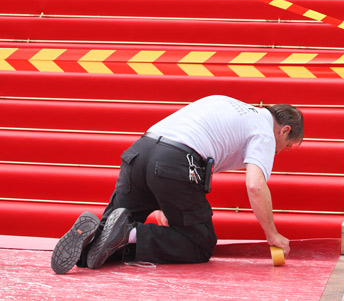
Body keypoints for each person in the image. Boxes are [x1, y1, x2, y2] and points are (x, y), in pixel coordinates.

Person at [51, 94, 304, 274]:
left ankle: (95, 238)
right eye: (289, 146)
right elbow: (255, 186)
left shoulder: (227, 104)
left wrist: (164, 201)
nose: (282, 151)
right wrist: (273, 235)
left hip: (140, 152)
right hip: (174, 162)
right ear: (284, 131)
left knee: (105, 239)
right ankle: (126, 234)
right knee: (199, 243)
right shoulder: (265, 131)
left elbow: (185, 147)